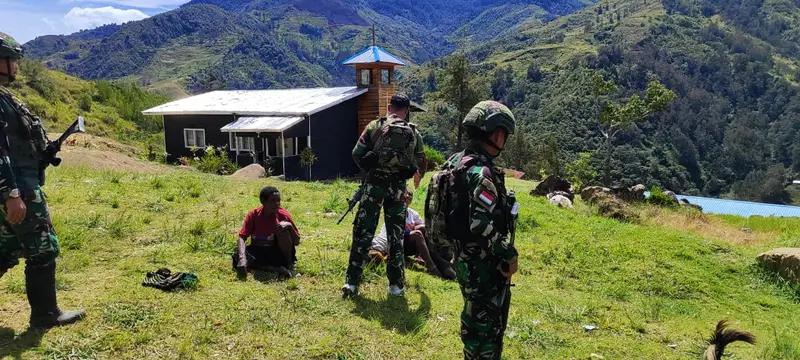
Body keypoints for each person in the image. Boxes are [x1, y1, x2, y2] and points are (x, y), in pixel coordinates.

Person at [0, 32, 85, 327]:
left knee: (6, 248)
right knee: (43, 247)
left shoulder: (4, 98)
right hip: (17, 189)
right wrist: (11, 194)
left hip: (20, 184)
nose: (16, 66)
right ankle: (46, 314)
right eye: (11, 60)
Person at [450, 101, 519, 359]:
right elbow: (480, 224)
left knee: (473, 318)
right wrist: (507, 253)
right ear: (496, 133)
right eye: (504, 134)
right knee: (487, 329)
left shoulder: (457, 162)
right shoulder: (482, 173)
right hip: (483, 264)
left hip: (461, 257)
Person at [342, 93, 426, 298]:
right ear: (406, 111)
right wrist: (414, 175)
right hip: (398, 190)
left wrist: (368, 167)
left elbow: (356, 153)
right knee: (395, 236)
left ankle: (352, 283)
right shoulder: (414, 132)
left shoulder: (374, 126)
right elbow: (421, 160)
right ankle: (396, 287)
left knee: (363, 233)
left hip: (374, 187)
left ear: (389, 107)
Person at [368, 189, 442, 277]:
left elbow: (424, 228)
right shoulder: (394, 210)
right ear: (401, 198)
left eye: (410, 197)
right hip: (390, 239)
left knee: (422, 228)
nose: (407, 199)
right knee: (417, 233)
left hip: (402, 241)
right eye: (406, 197)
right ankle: (432, 267)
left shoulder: (412, 213)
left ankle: (423, 256)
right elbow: (395, 230)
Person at [233, 186, 300, 279]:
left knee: (283, 230)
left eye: (278, 200)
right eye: (273, 201)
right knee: (237, 254)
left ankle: (289, 265)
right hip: (258, 251)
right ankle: (273, 268)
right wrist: (242, 259)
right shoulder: (254, 215)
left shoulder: (283, 215)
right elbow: (242, 237)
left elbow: (296, 241)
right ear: (263, 201)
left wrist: (289, 226)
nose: (277, 204)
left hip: (277, 251)